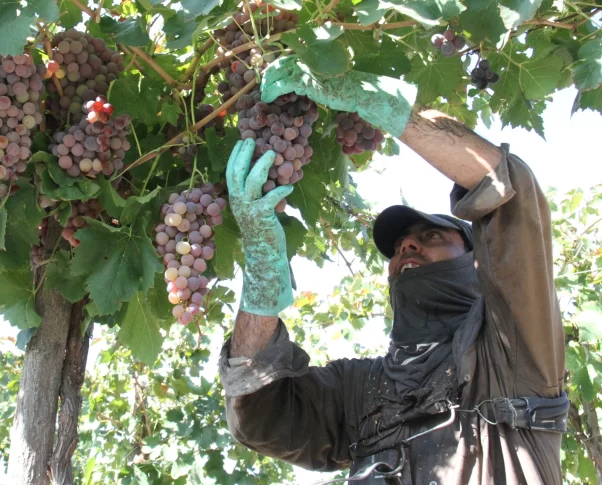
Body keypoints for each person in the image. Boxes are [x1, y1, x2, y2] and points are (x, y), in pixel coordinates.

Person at [218, 57, 568, 484]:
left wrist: (375, 99)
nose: (408, 244)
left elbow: (509, 190)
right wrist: (261, 275)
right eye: (401, 245)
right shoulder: (360, 388)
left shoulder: (510, 345)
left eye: (434, 236)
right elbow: (259, 410)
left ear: (477, 262)